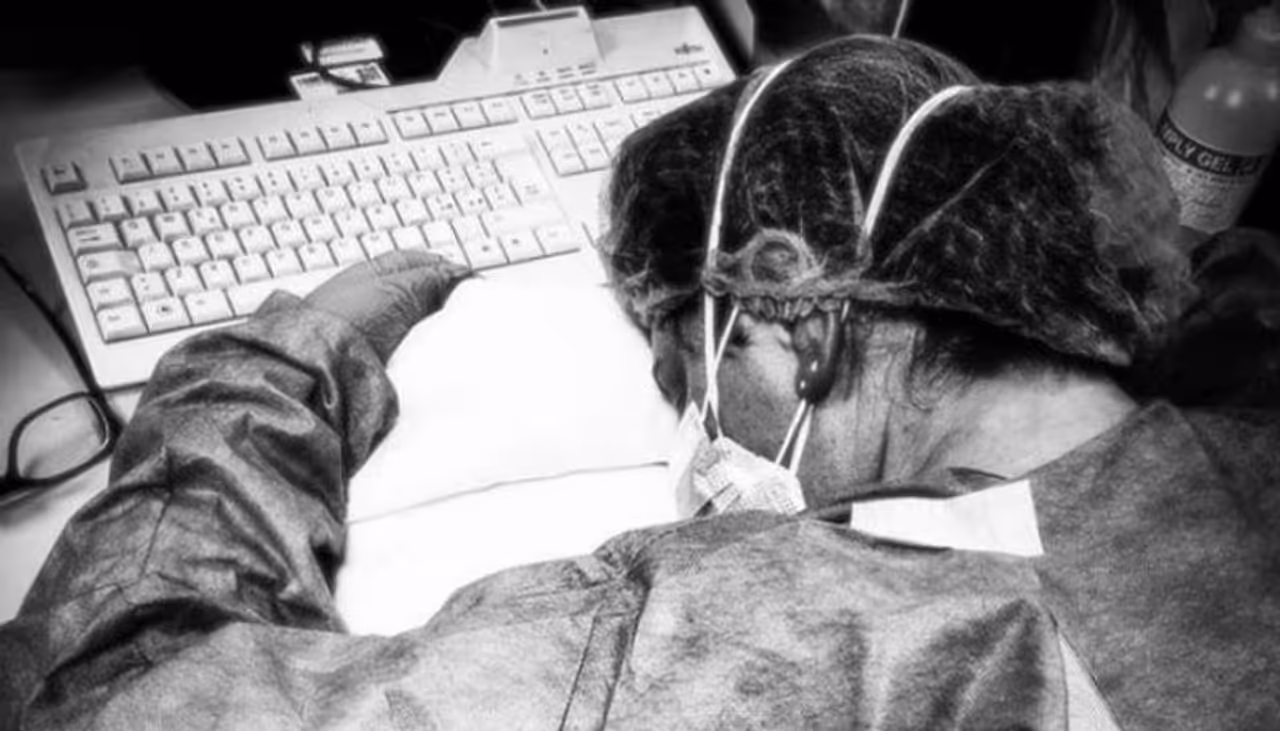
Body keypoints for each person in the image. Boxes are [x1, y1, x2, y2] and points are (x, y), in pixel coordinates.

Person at [2, 35, 1278, 730]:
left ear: (795, 316)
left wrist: (276, 363)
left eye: (688, 374)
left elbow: (108, 699)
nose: (695, 433)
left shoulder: (720, 643)